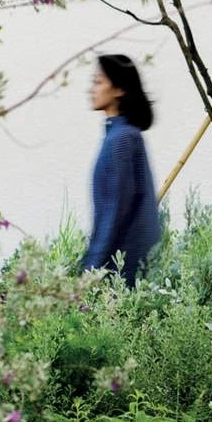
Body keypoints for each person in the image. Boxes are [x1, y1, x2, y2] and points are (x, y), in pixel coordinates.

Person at [81, 53, 161, 286]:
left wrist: (91, 269)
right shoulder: (122, 135)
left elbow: (115, 211)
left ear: (119, 89)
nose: (91, 89)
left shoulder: (122, 139)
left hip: (123, 270)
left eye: (98, 81)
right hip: (123, 265)